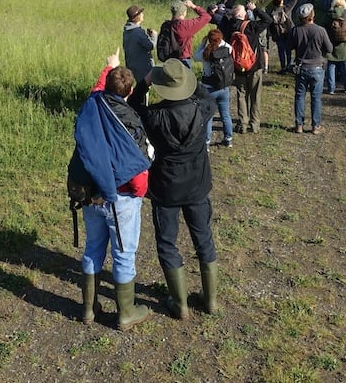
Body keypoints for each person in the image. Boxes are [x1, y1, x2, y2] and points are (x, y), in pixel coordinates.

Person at [66, 50, 152, 330]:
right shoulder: (130, 119)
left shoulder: (93, 106)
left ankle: (88, 309)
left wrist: (109, 68)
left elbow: (98, 88)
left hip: (91, 194)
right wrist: (139, 194)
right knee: (123, 253)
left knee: (93, 248)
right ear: (129, 92)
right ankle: (126, 312)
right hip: (121, 197)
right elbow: (138, 170)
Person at [132, 59, 219, 319]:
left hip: (166, 186)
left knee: (167, 243)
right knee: (203, 237)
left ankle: (180, 305)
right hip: (197, 184)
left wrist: (145, 83)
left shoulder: (155, 116)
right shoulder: (202, 109)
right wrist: (189, 80)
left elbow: (134, 108)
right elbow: (208, 97)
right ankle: (210, 301)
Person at [221, 3, 271, 134]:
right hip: (254, 66)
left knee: (241, 95)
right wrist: (255, 9)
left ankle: (243, 123)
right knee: (255, 95)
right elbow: (268, 20)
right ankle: (255, 124)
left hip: (238, 67)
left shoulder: (229, 27)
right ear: (242, 14)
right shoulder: (251, 26)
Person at [288, 3, 332, 134]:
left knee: (299, 96)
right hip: (317, 67)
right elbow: (329, 49)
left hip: (301, 67)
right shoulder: (320, 30)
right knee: (316, 98)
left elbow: (288, 47)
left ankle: (299, 125)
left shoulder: (296, 30)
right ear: (312, 15)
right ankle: (315, 126)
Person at [195, 28, 234, 149]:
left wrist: (203, 42)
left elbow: (195, 56)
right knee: (225, 114)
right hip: (223, 88)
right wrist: (221, 40)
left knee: (208, 117)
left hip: (208, 89)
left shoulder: (206, 53)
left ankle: (206, 142)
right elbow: (229, 46)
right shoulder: (227, 49)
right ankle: (228, 139)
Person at [167, 0, 211, 68]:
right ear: (184, 12)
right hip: (183, 60)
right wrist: (193, 6)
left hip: (169, 60)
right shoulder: (185, 26)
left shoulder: (166, 25)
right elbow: (207, 17)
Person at [122, 5, 156, 86]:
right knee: (144, 90)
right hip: (142, 68)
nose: (143, 14)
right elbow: (151, 46)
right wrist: (154, 36)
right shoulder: (138, 32)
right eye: (141, 13)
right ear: (138, 17)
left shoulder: (127, 30)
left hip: (131, 65)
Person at [266, 0, 297, 73]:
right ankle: (289, 65)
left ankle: (283, 67)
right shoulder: (286, 9)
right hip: (288, 32)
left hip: (278, 34)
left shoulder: (272, 12)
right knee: (288, 50)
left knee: (281, 51)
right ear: (281, 2)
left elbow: (270, 25)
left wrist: (272, 35)